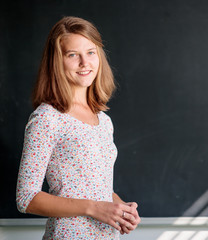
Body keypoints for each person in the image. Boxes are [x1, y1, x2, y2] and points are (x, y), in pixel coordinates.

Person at [16, 16, 141, 239]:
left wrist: (121, 209)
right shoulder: (47, 118)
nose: (85, 63)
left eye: (91, 52)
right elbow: (26, 198)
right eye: (73, 55)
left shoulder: (103, 120)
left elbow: (95, 186)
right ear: (57, 61)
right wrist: (93, 208)